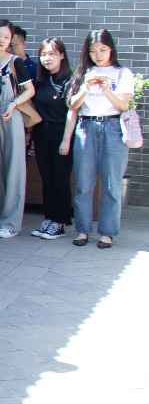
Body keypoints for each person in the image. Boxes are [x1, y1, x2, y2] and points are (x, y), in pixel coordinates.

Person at [68, 29, 134, 249]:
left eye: (103, 50)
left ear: (111, 49)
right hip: (86, 126)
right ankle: (82, 230)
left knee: (111, 184)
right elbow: (73, 105)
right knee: (83, 184)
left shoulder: (122, 73)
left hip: (113, 127)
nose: (98, 55)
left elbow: (123, 105)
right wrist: (86, 87)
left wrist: (106, 89)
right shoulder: (83, 72)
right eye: (93, 51)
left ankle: (107, 233)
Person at [0, 19, 35, 238]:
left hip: (10, 116)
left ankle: (11, 223)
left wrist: (14, 103)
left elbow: (29, 90)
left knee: (14, 169)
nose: (2, 40)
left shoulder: (15, 62)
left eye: (6, 37)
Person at [31, 39, 75, 240]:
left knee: (60, 180)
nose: (47, 58)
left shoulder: (70, 80)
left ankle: (60, 222)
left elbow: (72, 112)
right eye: (43, 54)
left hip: (61, 135)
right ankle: (49, 218)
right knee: (47, 179)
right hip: (42, 134)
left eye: (52, 54)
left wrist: (66, 140)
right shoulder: (41, 80)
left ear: (62, 55)